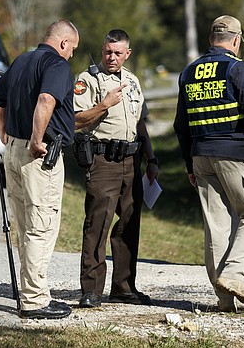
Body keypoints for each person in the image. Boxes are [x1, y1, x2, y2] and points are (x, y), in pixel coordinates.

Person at [173, 15, 244, 313]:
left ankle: (224, 301)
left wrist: (189, 164)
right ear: (236, 40)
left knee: (216, 227)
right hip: (235, 155)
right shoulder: (237, 68)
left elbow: (180, 125)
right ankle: (235, 274)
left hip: (201, 155)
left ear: (211, 39)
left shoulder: (189, 72)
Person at [0, 20, 80, 320]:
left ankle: (31, 292)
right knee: (41, 226)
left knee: (26, 225)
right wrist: (37, 139)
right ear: (64, 43)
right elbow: (46, 100)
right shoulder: (56, 65)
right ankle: (35, 300)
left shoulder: (22, 60)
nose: (71, 56)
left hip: (13, 150)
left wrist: (3, 132)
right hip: (38, 155)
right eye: (73, 50)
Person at [73, 29, 160, 308]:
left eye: (117, 53)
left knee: (129, 224)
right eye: (107, 51)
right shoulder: (88, 80)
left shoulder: (133, 82)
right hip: (103, 161)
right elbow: (77, 120)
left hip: (132, 161)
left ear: (127, 54)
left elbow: (140, 123)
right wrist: (104, 104)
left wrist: (151, 159)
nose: (111, 57)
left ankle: (124, 287)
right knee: (97, 223)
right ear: (102, 49)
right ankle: (91, 290)